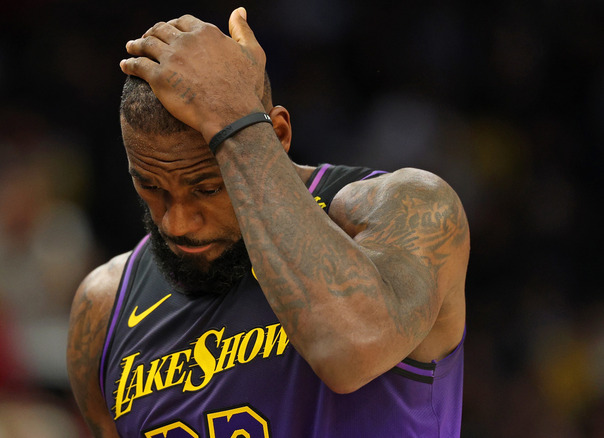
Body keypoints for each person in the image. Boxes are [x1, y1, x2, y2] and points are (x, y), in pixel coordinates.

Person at [67, 7, 469, 437]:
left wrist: (233, 118)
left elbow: (352, 350)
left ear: (275, 135)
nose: (178, 223)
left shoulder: (407, 208)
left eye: (207, 188)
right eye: (152, 187)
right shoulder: (105, 305)